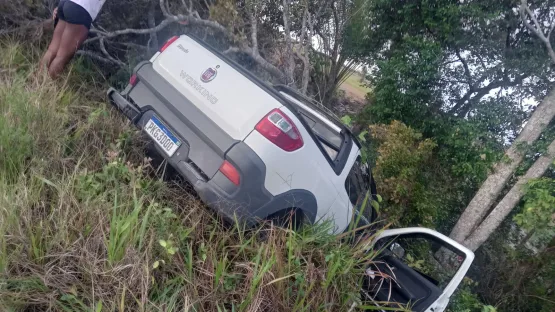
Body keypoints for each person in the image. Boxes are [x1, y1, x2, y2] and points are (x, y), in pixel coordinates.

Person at [40, 0, 106, 78]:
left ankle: (36, 82)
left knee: (51, 50)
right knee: (62, 56)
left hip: (66, 3)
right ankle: (44, 86)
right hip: (82, 9)